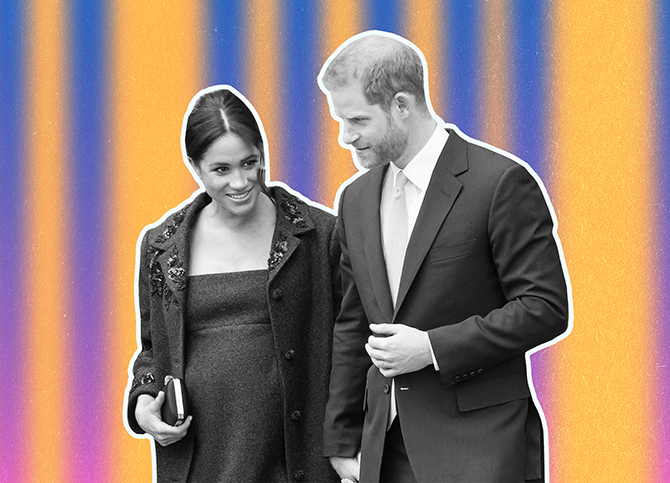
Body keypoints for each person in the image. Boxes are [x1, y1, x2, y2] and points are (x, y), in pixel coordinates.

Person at [318, 31, 571, 482]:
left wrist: (432, 348)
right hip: (384, 453)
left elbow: (545, 308)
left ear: (401, 105)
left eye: (356, 120)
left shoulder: (500, 183)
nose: (345, 137)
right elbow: (353, 323)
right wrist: (341, 441)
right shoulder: (354, 199)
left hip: (481, 450)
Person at [124, 85, 341, 483]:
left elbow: (349, 347)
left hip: (296, 461)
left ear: (262, 155)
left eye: (249, 163)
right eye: (221, 170)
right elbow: (154, 348)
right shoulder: (161, 245)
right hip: (200, 460)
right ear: (195, 166)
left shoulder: (318, 235)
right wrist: (142, 404)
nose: (240, 181)